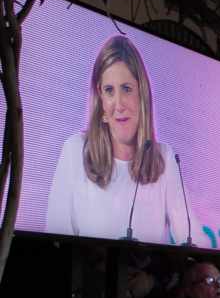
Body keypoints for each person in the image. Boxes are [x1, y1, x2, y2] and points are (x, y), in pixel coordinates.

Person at [45, 35, 194, 244]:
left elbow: (192, 239)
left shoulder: (164, 157)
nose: (118, 104)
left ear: (141, 94)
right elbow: (55, 240)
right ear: (100, 98)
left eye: (126, 89)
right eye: (109, 91)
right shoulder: (75, 150)